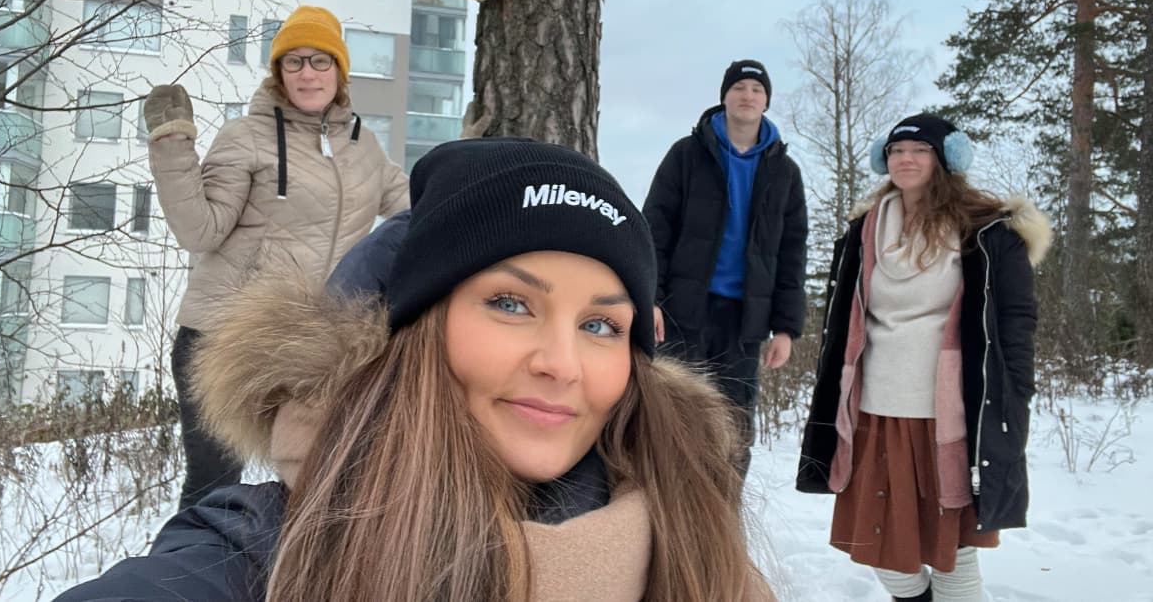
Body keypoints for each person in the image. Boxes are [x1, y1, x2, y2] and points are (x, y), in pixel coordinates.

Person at [54, 138, 775, 601]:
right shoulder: (275, 546)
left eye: (599, 324)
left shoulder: (697, 542)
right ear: (419, 329)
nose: (562, 364)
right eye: (510, 303)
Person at [141, 5, 409, 509]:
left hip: (308, 347)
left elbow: (417, 212)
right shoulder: (246, 136)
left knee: (317, 480)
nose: (308, 73)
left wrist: (467, 157)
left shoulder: (365, 148)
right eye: (294, 62)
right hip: (221, 339)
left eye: (320, 61)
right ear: (279, 73)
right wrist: (173, 146)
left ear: (340, 71)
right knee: (213, 488)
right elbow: (200, 231)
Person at [796, 114, 1052, 602]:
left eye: (920, 150)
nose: (906, 160)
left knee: (953, 553)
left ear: (945, 159)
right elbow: (843, 322)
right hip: (874, 411)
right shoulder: (864, 230)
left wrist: (1015, 393)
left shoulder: (987, 230)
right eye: (896, 151)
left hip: (951, 416)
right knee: (879, 551)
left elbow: (1016, 322)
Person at [642, 59, 808, 476]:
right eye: (739, 87)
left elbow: (792, 253)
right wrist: (651, 297)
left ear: (766, 100)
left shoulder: (784, 172)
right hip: (684, 310)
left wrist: (785, 328)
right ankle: (667, 512)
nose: (747, 95)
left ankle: (722, 520)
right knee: (674, 414)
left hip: (745, 320)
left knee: (733, 423)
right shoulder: (686, 155)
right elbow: (654, 229)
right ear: (725, 96)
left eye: (756, 88)